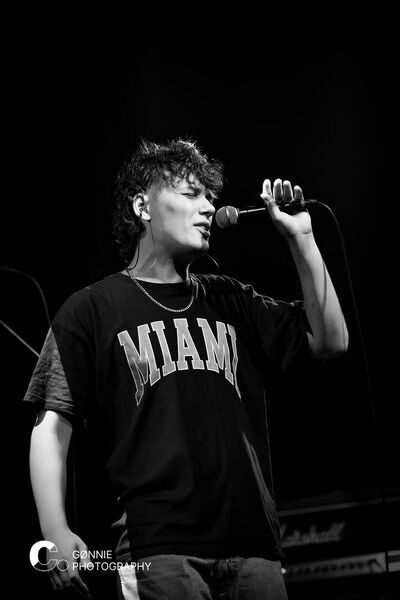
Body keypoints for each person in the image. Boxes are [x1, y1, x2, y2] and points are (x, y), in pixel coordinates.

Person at [25, 138, 348, 599]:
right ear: (142, 206)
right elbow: (52, 424)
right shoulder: (90, 310)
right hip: (158, 551)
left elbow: (332, 339)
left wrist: (303, 240)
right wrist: (54, 529)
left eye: (210, 196)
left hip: (254, 549)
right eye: (191, 193)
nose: (209, 206)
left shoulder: (230, 298)